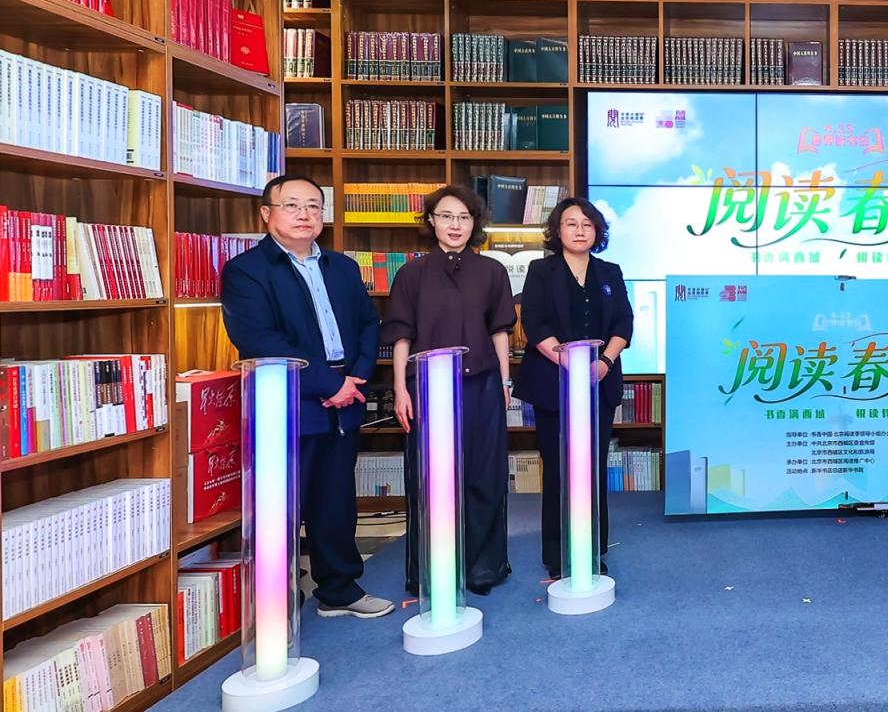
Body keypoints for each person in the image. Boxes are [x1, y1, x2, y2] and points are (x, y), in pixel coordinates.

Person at [221, 174, 393, 618]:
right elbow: (259, 339)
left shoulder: (342, 267)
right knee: (281, 506)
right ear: (266, 213)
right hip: (289, 401)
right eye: (293, 205)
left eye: (314, 206)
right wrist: (329, 384)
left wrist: (355, 376)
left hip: (345, 396)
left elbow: (368, 324)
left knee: (336, 501)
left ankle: (339, 589)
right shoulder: (246, 271)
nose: (305, 214)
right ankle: (277, 602)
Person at [384, 185, 517, 596]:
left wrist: (505, 381)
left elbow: (500, 332)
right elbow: (401, 336)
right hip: (427, 389)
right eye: (446, 216)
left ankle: (483, 568)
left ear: (475, 223)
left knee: (485, 476)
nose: (455, 225)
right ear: (431, 221)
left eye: (464, 217)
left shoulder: (492, 271)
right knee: (432, 480)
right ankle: (431, 570)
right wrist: (400, 389)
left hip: (482, 385)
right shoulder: (412, 274)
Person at [514, 197, 633, 580]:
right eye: (571, 223)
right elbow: (533, 323)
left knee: (592, 467)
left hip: (600, 381)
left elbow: (624, 323)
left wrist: (604, 362)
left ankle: (591, 549)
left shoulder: (610, 272)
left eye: (587, 223)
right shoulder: (541, 271)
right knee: (559, 468)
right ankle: (557, 552)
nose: (579, 230)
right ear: (557, 230)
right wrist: (570, 362)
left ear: (597, 231)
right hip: (554, 383)